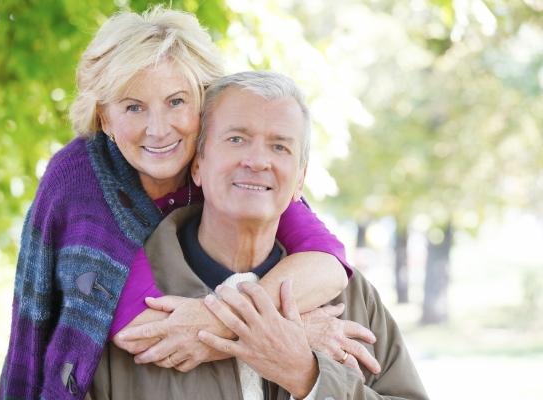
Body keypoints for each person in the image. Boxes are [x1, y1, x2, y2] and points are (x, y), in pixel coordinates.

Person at [0, 7, 378, 400]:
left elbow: (327, 262)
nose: (159, 129)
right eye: (133, 107)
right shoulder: (81, 180)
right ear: (105, 118)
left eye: (176, 101)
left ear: (202, 100)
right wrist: (287, 331)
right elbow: (148, 331)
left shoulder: (227, 164)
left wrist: (271, 330)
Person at [86, 71, 429, 400]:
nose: (257, 161)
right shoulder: (125, 298)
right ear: (197, 166)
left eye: (280, 147)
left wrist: (307, 376)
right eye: (236, 139)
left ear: (299, 181)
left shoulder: (350, 299)